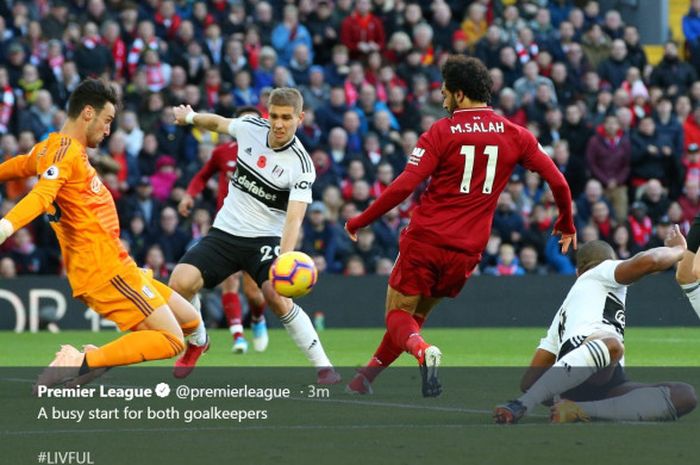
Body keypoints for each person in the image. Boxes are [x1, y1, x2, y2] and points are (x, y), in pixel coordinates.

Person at [344, 56, 577, 397]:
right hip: (467, 251)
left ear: (460, 94)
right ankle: (364, 378)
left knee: (398, 315)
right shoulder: (517, 135)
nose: (442, 100)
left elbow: (405, 185)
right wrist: (565, 222)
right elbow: (559, 183)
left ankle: (422, 352)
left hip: (426, 240)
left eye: (445, 93)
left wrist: (360, 220)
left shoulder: (441, 131)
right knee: (414, 318)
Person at [0, 79, 201, 388]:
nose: (108, 130)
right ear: (88, 114)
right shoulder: (64, 152)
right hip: (105, 268)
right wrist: (6, 226)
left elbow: (17, 166)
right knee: (172, 341)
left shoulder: (49, 151)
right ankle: (80, 364)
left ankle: (92, 364)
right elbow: (41, 196)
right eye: (107, 121)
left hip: (115, 264)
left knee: (190, 320)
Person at [170, 88, 339, 384]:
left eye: (287, 118)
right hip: (225, 232)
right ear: (267, 114)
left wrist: (283, 259)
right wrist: (191, 117)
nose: (279, 124)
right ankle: (198, 341)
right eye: (274, 116)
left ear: (300, 118)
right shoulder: (250, 129)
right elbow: (219, 123)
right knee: (179, 284)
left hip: (264, 241)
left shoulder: (301, 165)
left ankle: (323, 366)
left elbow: (295, 215)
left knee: (276, 298)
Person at [494, 235, 696, 424]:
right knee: (612, 344)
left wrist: (557, 392)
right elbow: (651, 260)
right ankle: (522, 404)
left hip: (596, 381)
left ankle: (579, 409)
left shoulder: (563, 314)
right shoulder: (601, 270)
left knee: (684, 395)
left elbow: (529, 381)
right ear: (611, 261)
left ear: (577, 272)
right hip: (602, 358)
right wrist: (679, 249)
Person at [178, 106, 269, 355]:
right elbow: (202, 175)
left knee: (254, 293)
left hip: (256, 229)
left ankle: (258, 318)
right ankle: (238, 336)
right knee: (229, 283)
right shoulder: (222, 153)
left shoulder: (268, 155)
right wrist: (189, 195)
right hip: (227, 227)